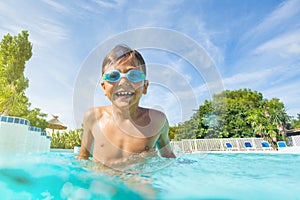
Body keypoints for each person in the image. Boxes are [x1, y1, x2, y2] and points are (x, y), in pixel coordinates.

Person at [77, 44, 176, 167]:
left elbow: (169, 158)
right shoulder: (93, 117)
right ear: (104, 87)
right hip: (102, 182)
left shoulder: (157, 121)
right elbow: (83, 158)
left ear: (145, 86)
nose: (123, 82)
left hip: (139, 182)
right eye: (113, 76)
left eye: (133, 75)